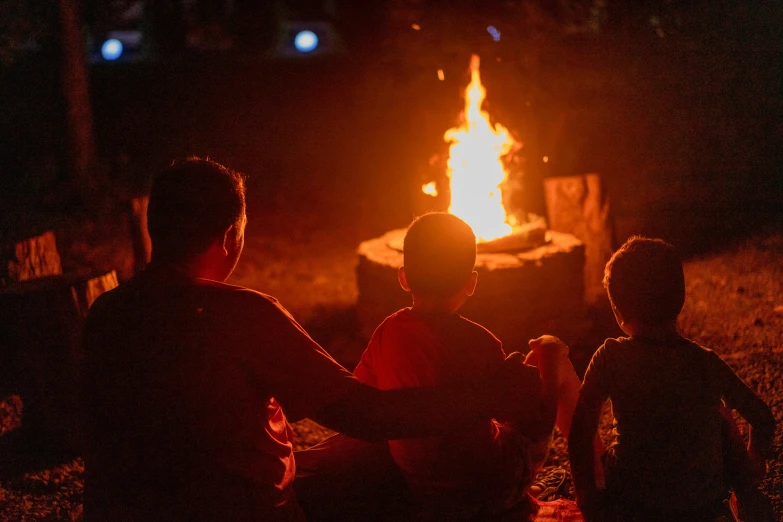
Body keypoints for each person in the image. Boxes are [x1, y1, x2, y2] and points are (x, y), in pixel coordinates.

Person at [80, 159, 543, 521]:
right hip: (243, 513)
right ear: (228, 237)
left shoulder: (104, 314)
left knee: (334, 462)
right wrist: (488, 396)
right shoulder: (245, 315)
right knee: (383, 473)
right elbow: (367, 416)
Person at [347, 212, 586, 519]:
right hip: (489, 488)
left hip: (421, 488)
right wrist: (540, 372)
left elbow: (364, 393)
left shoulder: (386, 333)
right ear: (471, 282)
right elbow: (521, 410)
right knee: (549, 355)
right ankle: (595, 476)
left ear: (403, 276)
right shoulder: (480, 342)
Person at [569, 236, 776, 521]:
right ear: (680, 300)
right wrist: (754, 459)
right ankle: (747, 496)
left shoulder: (610, 356)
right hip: (699, 505)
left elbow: (580, 430)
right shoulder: (705, 362)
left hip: (631, 500)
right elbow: (763, 418)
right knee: (720, 416)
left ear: (618, 311)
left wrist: (588, 499)